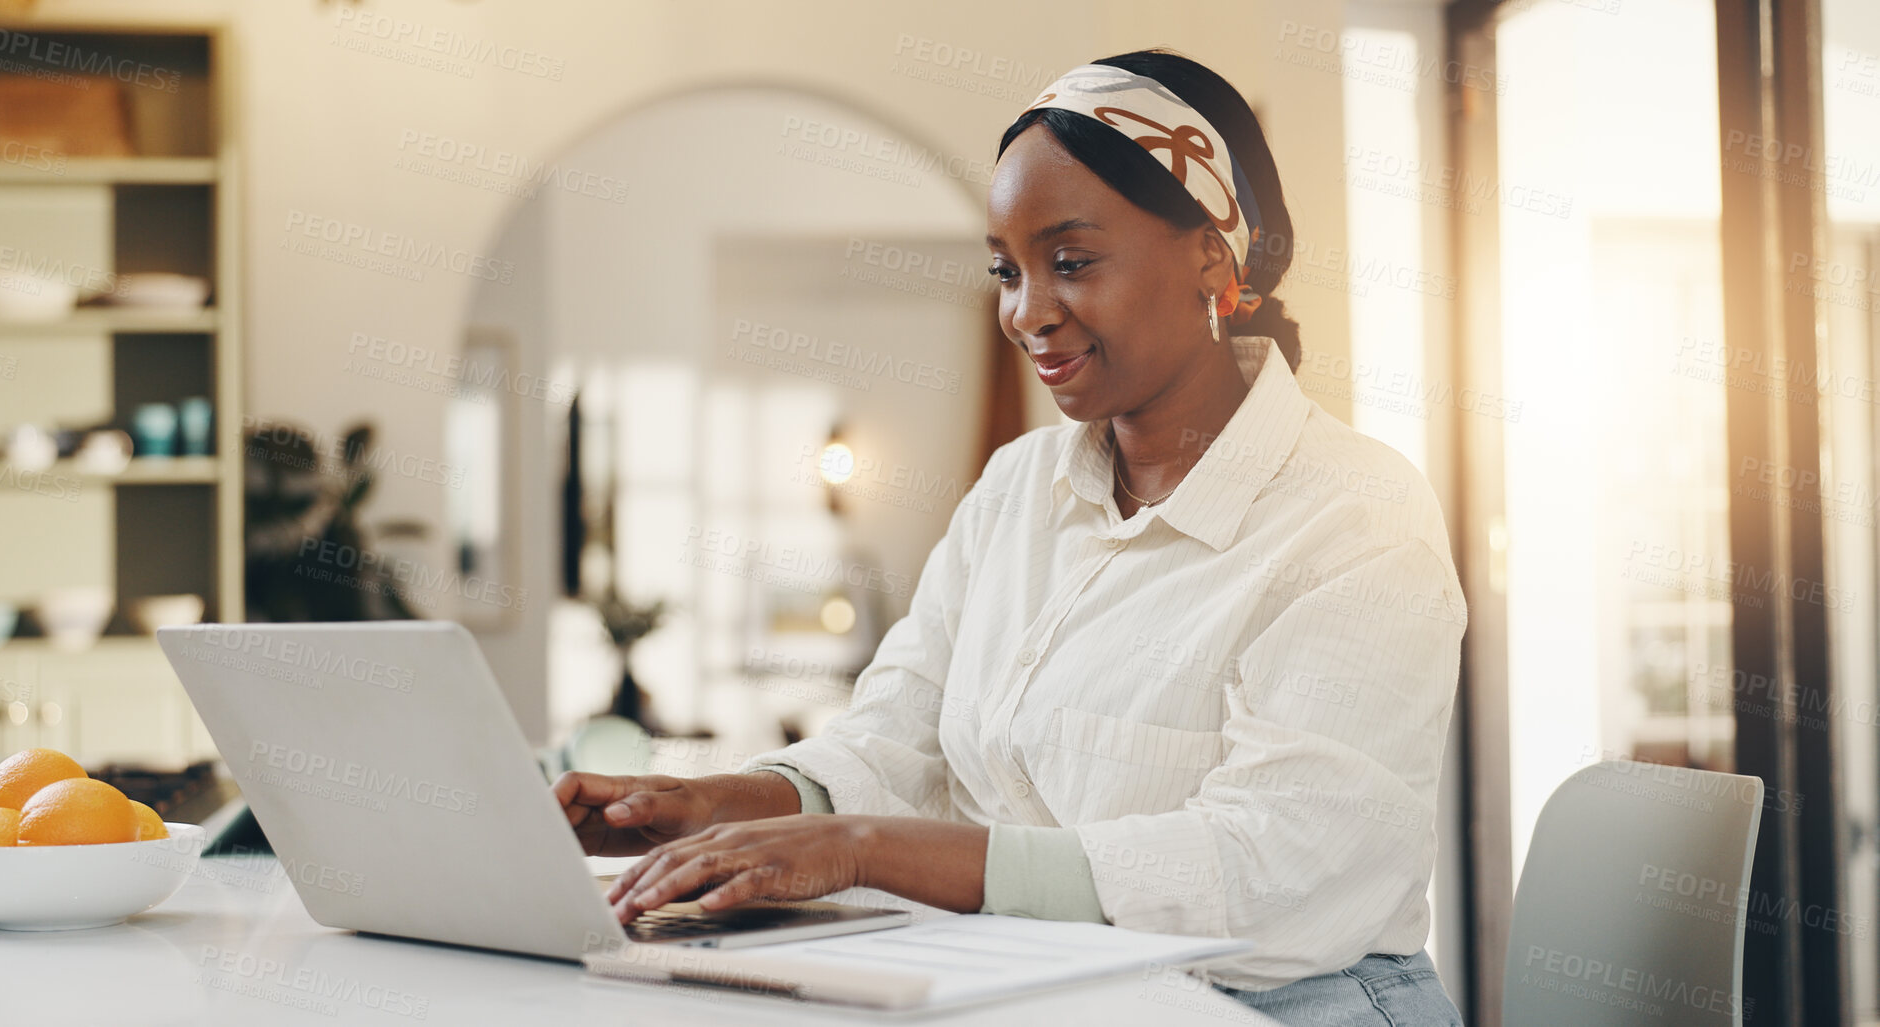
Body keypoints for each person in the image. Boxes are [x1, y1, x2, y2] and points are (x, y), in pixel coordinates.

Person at [553, 48, 1467, 1025]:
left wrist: (865, 847)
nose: (1027, 313)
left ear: (1213, 254)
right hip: (1048, 986)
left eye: (1070, 262)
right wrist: (712, 804)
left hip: (1282, 1003)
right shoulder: (1017, 490)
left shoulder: (1356, 520)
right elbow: (896, 742)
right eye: (1006, 271)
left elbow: (1271, 878)